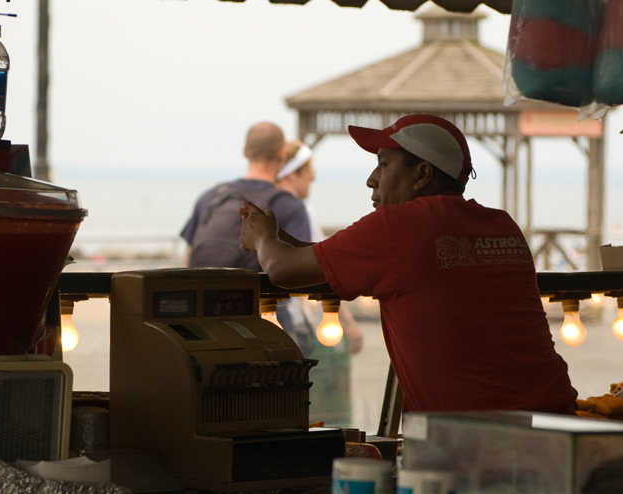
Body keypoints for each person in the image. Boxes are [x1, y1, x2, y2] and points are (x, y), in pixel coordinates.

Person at [239, 114, 579, 415]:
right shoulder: (501, 224)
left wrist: (260, 238)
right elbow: (326, 256)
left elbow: (282, 271)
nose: (372, 179)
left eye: (384, 164)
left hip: (473, 436)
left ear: (422, 175)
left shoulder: (399, 226)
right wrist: (277, 235)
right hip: (555, 418)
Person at [275, 139, 363, 426]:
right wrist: (346, 322)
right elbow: (322, 269)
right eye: (307, 170)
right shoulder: (300, 211)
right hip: (291, 323)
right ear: (291, 173)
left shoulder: (263, 208)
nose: (313, 177)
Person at [180, 121, 311, 273]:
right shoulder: (290, 206)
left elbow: (187, 262)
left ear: (244, 152)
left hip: (201, 294)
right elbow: (299, 272)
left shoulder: (209, 197)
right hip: (252, 296)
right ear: (282, 155)